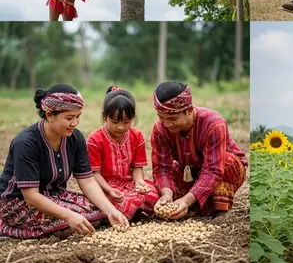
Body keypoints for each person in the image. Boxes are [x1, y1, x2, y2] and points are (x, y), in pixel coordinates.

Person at [0, 84, 129, 238]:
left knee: (101, 211)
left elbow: (87, 181)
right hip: (18, 202)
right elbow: (31, 196)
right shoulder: (26, 143)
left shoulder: (75, 138)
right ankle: (5, 224)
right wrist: (68, 216)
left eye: (77, 116)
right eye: (69, 118)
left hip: (56, 196)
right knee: (74, 222)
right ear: (49, 115)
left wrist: (111, 211)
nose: (75, 123)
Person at [150, 81, 248, 219]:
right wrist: (167, 194)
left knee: (227, 161)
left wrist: (185, 200)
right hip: (189, 171)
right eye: (161, 117)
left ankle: (221, 210)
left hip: (222, 170)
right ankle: (193, 205)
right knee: (169, 177)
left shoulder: (213, 124)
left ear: (189, 110)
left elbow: (213, 170)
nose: (167, 124)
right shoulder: (160, 129)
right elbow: (162, 168)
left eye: (173, 118)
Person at [86, 86, 160, 220]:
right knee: (120, 201)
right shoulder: (95, 140)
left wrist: (139, 182)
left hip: (128, 184)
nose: (121, 127)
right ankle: (134, 213)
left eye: (127, 122)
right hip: (105, 186)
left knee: (153, 193)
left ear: (133, 118)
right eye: (115, 122)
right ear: (104, 116)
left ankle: (137, 213)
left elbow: (137, 167)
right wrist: (109, 189)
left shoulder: (137, 137)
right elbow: (94, 174)